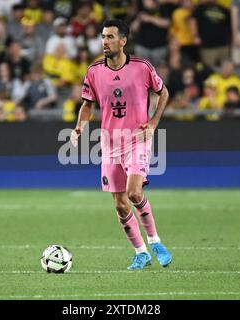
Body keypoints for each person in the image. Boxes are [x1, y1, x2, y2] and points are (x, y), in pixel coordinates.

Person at [71, 20, 172, 270]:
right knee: (119, 203)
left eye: (110, 37)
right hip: (109, 144)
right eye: (103, 37)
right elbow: (87, 104)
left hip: (137, 139)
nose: (105, 42)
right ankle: (141, 253)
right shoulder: (94, 71)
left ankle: (155, 241)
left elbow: (164, 93)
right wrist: (79, 127)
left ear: (123, 41)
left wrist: (153, 122)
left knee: (134, 192)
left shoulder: (142, 67)